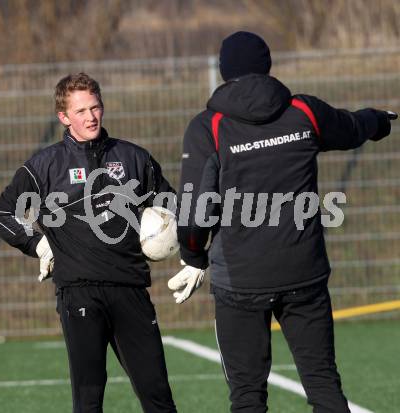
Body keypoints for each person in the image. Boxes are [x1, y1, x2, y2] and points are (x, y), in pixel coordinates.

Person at [168, 31, 395, 412]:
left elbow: (194, 212)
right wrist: (377, 120)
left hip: (241, 281)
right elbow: (352, 127)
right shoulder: (304, 111)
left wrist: (193, 255)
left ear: (224, 71)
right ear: (267, 66)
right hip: (303, 272)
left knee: (247, 397)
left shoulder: (209, 127)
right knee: (323, 385)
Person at [0, 73, 177, 413]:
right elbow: (2, 213)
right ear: (64, 117)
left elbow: (171, 205)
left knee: (158, 397)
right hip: (79, 292)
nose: (91, 117)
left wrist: (181, 246)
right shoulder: (45, 166)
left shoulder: (134, 158)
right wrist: (38, 244)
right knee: (89, 401)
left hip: (130, 290)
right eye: (80, 111)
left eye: (96, 107)